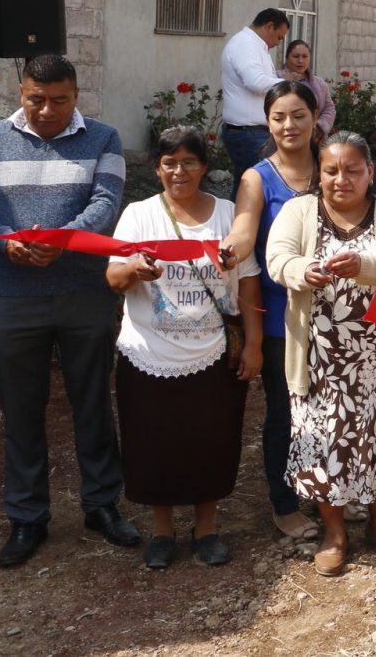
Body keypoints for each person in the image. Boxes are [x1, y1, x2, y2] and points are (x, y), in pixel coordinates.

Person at [0, 54, 137, 566]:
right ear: (20, 92)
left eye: (59, 100)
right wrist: (5, 242)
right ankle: (26, 517)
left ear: (76, 95)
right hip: (13, 295)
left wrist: (66, 241)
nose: (46, 110)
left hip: (85, 292)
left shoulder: (104, 137)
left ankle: (101, 505)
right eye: (36, 98)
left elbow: (106, 204)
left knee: (93, 404)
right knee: (21, 411)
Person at [106, 127, 264, 569]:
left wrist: (253, 343)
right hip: (147, 352)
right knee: (152, 442)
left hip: (212, 351)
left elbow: (248, 278)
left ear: (205, 167)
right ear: (157, 168)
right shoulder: (138, 216)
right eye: (170, 162)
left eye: (189, 161)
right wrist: (136, 269)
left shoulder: (229, 215)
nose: (180, 171)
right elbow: (113, 279)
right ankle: (161, 530)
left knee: (210, 441)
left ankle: (207, 528)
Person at [266, 132, 376, 576]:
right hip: (318, 360)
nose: (341, 179)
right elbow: (277, 258)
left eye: (353, 170)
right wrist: (302, 270)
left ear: (370, 172)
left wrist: (366, 266)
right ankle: (335, 533)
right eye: (331, 170)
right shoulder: (300, 211)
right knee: (321, 442)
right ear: (319, 173)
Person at [224, 80, 323, 541]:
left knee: (333, 408)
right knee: (285, 412)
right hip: (284, 316)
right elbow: (244, 227)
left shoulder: (334, 166)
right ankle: (284, 501)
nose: (289, 125)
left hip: (338, 314)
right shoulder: (256, 177)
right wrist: (231, 248)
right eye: (279, 117)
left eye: (298, 115)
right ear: (268, 121)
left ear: (314, 117)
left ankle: (330, 492)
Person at [220, 8, 291, 197]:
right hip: (247, 133)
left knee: (247, 187)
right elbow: (256, 82)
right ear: (269, 26)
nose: (278, 43)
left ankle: (238, 224)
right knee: (259, 188)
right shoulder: (245, 44)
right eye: (279, 37)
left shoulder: (255, 45)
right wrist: (289, 85)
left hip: (252, 131)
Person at [279, 38, 337, 138]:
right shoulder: (276, 78)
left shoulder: (319, 83)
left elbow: (329, 108)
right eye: (296, 56)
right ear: (287, 58)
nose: (300, 61)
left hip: (315, 139)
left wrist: (319, 126)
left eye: (305, 56)